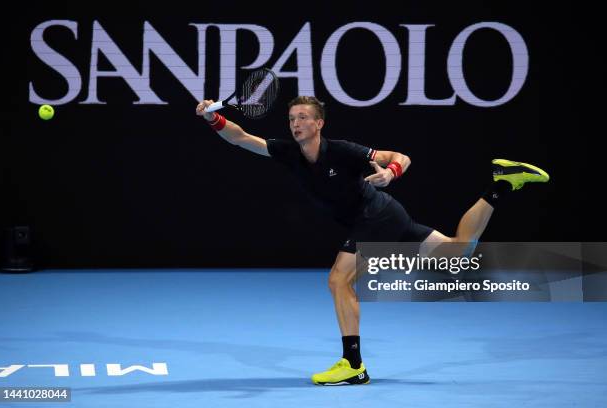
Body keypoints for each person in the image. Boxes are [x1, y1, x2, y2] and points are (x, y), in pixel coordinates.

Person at [195, 96, 549, 385]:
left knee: (339, 279)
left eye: (303, 117)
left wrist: (390, 173)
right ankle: (502, 183)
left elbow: (401, 157)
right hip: (387, 218)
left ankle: (353, 365)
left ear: (319, 124)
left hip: (375, 216)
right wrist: (213, 119)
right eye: (291, 119)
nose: (296, 123)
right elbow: (241, 138)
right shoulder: (288, 153)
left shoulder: (343, 151)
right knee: (460, 249)